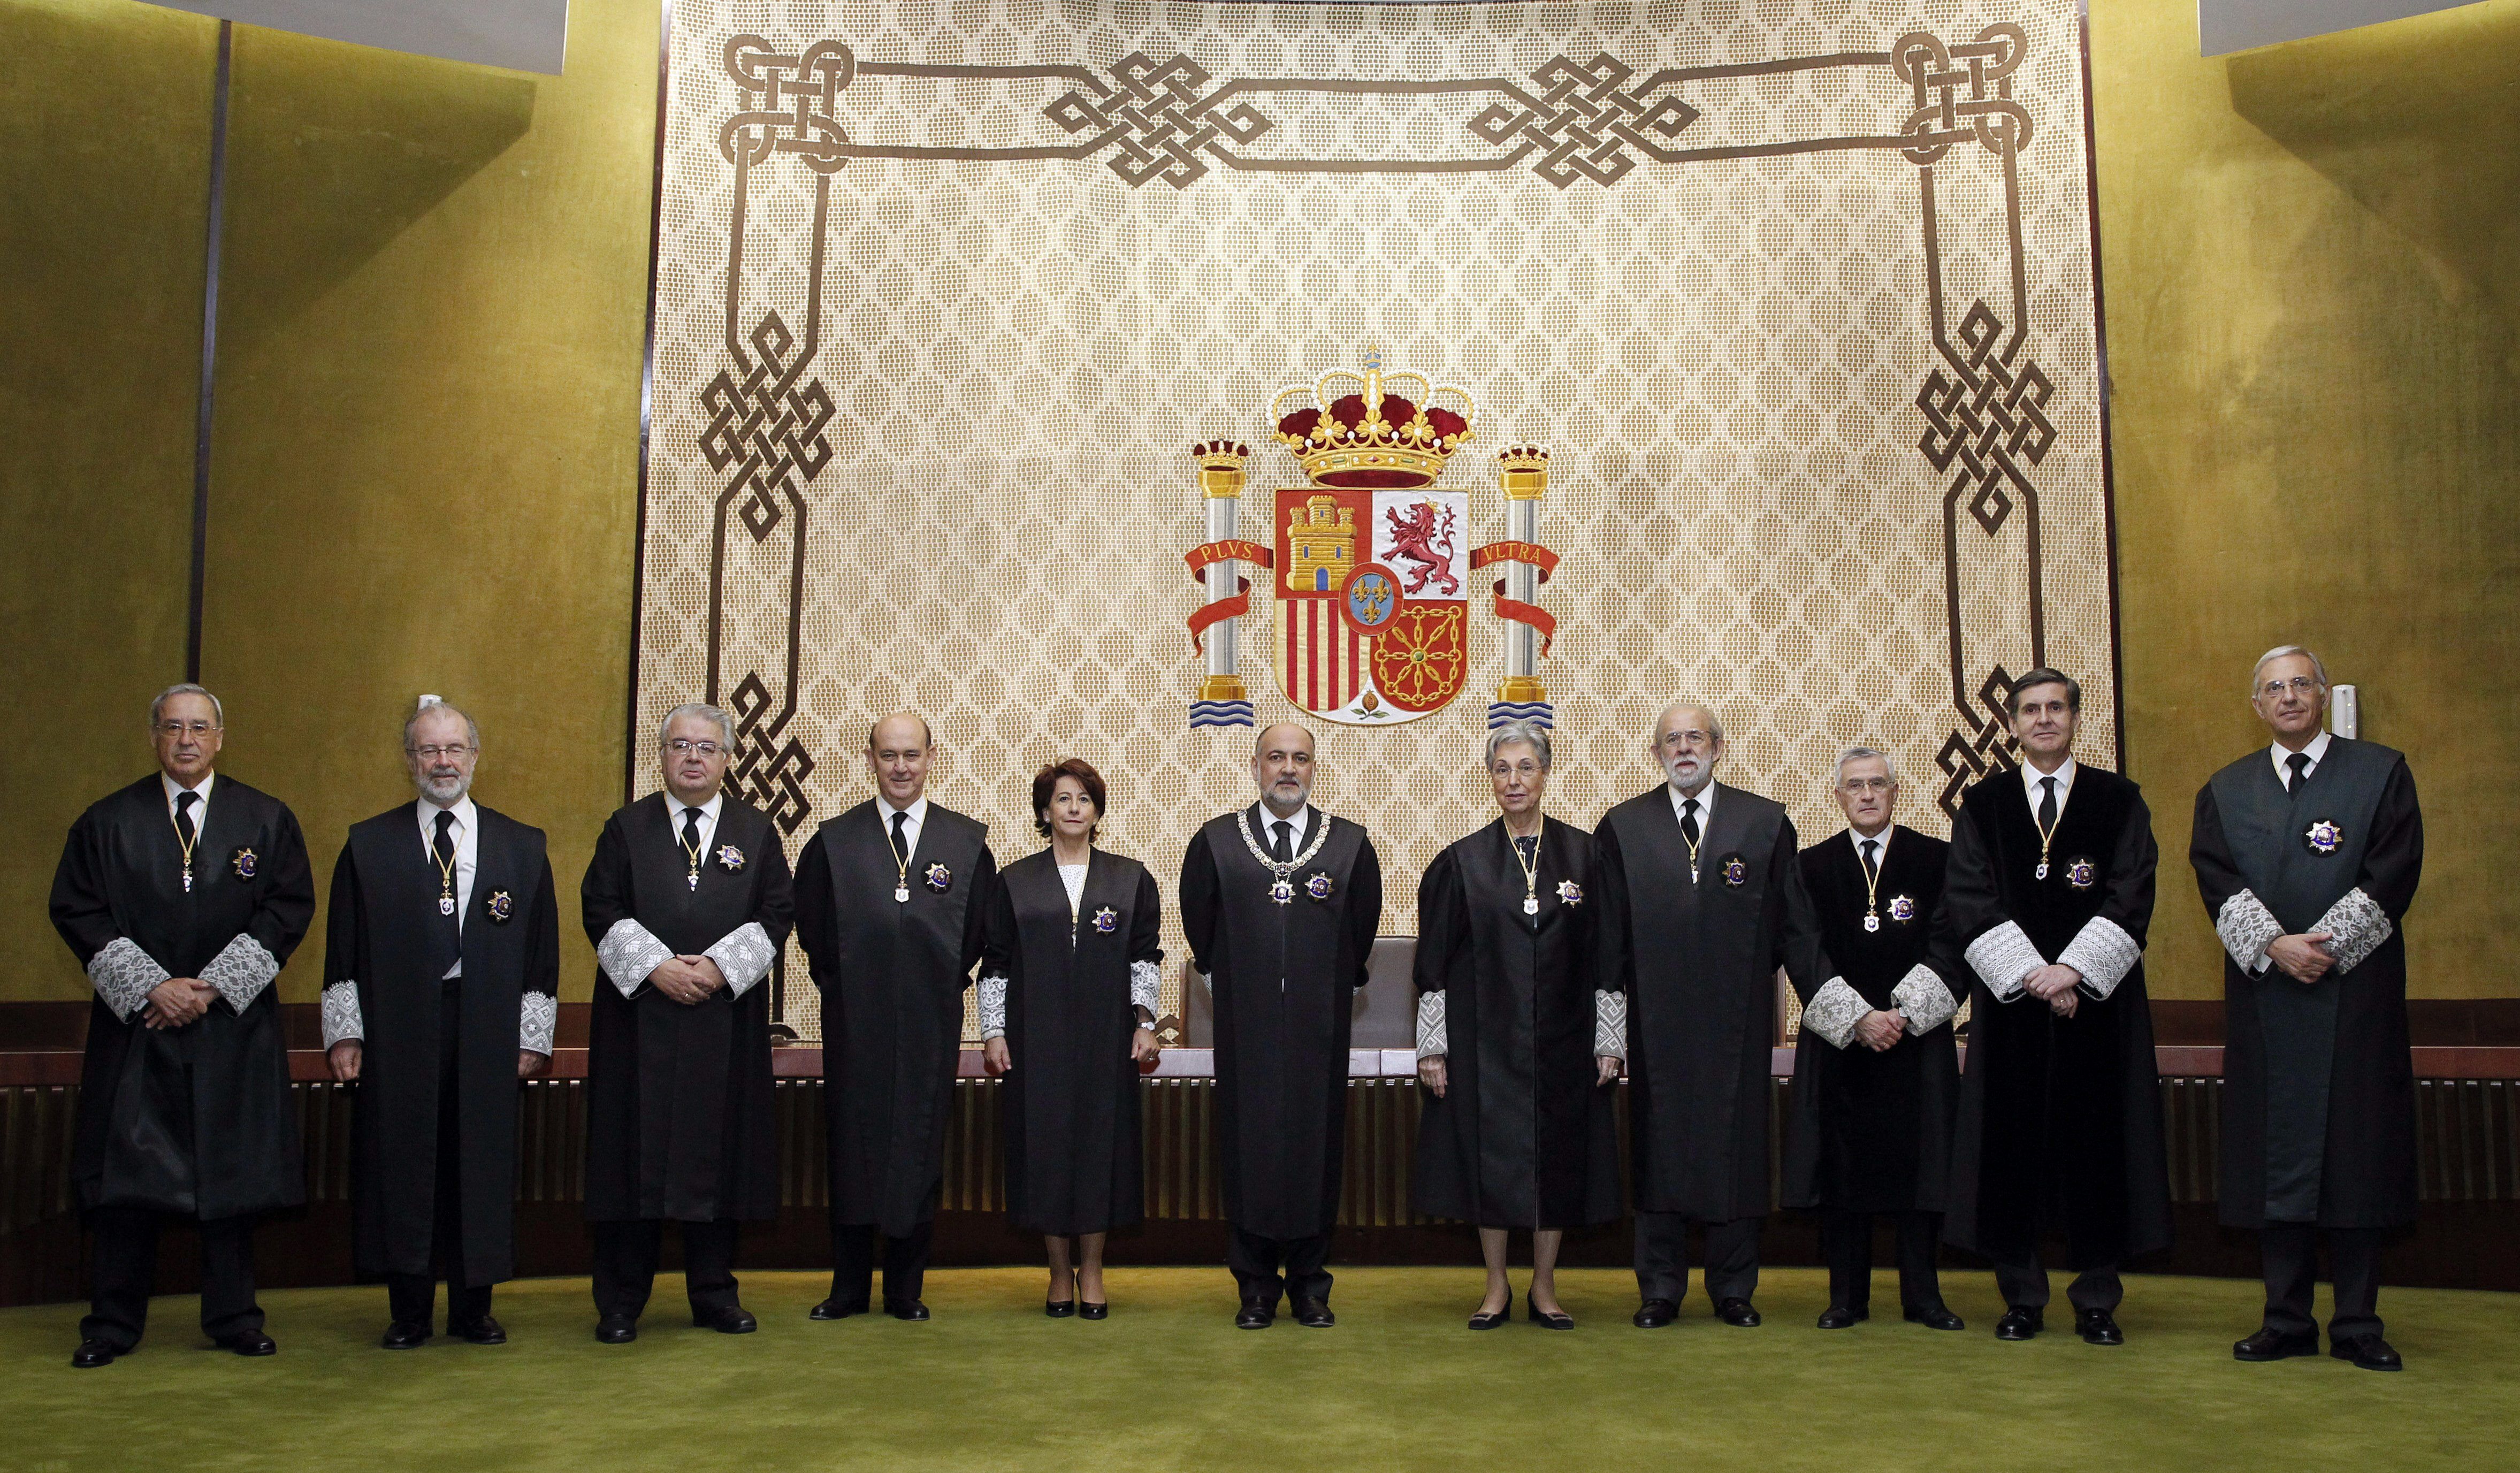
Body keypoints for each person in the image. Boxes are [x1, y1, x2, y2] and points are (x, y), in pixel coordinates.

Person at [49, 683, 315, 1368]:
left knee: (233, 1178)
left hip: (231, 1027)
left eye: (200, 727)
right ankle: (110, 1323)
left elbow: (287, 908)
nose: (187, 740)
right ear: (154, 737)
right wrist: (153, 987)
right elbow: (79, 910)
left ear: (221, 737)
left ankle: (234, 1317)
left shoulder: (265, 819)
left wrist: (213, 988)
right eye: (173, 727)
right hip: (140, 1028)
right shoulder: (106, 822)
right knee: (125, 1183)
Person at [2191, 646, 2423, 1372]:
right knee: (2275, 1156)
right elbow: (2216, 878)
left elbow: (2393, 869)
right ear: (2255, 705)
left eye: (2299, 683)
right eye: (2272, 688)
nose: (2287, 696)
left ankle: (2356, 1322)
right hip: (2267, 1001)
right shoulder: (2225, 790)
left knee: (2355, 1155)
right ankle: (2284, 1318)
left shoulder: (2380, 772)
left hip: (2354, 1002)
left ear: (2321, 696)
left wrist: (2323, 947)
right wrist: (2274, 947)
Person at [320, 697, 559, 1348]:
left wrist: (532, 1035)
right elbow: (342, 945)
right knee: (403, 1161)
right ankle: (410, 1310)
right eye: (430, 749)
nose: (443, 760)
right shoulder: (369, 844)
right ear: (409, 760)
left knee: (478, 1162)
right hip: (398, 1029)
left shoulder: (522, 843)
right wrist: (345, 1031)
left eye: (455, 748)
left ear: (475, 756)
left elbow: (543, 951)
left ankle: (473, 1308)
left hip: (487, 1027)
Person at [1595, 700, 1841, 1330]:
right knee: (1658, 1147)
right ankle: (1660, 1288)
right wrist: (1608, 1031)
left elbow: (1797, 932)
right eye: (1671, 739)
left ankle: (1734, 1287)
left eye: (1695, 737)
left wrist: (1843, 1010)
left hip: (1738, 1024)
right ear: (1655, 753)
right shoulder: (1622, 827)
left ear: (1718, 746)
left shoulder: (1765, 823)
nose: (1684, 748)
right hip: (1655, 1028)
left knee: (1739, 1147)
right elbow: (1607, 942)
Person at [1944, 668, 2171, 1346]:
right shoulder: (1982, 806)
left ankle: (2097, 1298)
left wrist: (2073, 970)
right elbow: (1969, 897)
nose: (2044, 719)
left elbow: (2132, 891)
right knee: (2012, 1149)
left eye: (2056, 708)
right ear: (2011, 724)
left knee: (2101, 1147)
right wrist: (2033, 976)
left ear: (2076, 718)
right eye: (2031, 710)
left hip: (2099, 1011)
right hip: (2013, 1011)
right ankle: (2022, 1296)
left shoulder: (2118, 799)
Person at [581, 701, 794, 1342]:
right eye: (681, 745)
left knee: (718, 1156)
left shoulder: (756, 832)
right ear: (663, 755)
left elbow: (777, 913)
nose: (693, 757)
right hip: (638, 1024)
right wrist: (657, 968)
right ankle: (622, 1300)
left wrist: (719, 969)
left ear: (728, 759)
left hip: (721, 1024)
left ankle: (713, 1293)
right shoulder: (626, 828)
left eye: (707, 746)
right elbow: (601, 907)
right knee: (631, 1159)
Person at [1411, 720, 1621, 1330]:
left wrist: (1609, 1037)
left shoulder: (1586, 855)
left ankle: (1546, 1286)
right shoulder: (1462, 861)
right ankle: (1497, 1285)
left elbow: (1609, 953)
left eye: (1526, 767)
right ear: (1490, 778)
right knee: (1490, 1160)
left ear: (1546, 773)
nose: (1514, 779)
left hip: (1566, 1037)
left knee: (1558, 1159)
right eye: (1502, 768)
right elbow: (1432, 965)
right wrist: (1433, 1047)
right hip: (1485, 1042)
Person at [1180, 721, 1384, 1329]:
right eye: (1276, 757)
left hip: (1320, 1029)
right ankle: (1256, 1288)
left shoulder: (1349, 844)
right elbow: (1202, 928)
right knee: (1249, 1147)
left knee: (1316, 1146)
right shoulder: (1215, 841)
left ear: (1314, 768)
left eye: (1300, 757)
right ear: (1255, 766)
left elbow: (1361, 928)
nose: (1288, 768)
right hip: (1247, 1029)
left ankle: (1312, 1286)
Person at [793, 713, 996, 1322]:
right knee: (852, 1146)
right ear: (870, 758)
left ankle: (905, 1288)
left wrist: (929, 985)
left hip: (930, 1020)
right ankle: (849, 1286)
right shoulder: (834, 841)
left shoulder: (965, 843)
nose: (901, 767)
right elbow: (814, 930)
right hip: (855, 1023)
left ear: (932, 756)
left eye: (912, 754)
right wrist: (855, 987)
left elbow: (978, 930)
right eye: (889, 755)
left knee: (918, 1142)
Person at [1783, 746, 1967, 1332]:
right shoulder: (1810, 866)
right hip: (1842, 1047)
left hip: (1916, 1044)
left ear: (1896, 791)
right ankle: (1846, 1298)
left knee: (1923, 1167)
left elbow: (1953, 941)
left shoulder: (1937, 860)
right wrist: (1859, 1017)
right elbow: (1802, 950)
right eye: (1855, 785)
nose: (1867, 794)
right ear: (1838, 796)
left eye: (1877, 784)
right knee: (1843, 1170)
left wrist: (1903, 1013)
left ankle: (1924, 1296)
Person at [977, 759, 1163, 1318]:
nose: (1075, 807)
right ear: (1044, 811)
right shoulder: (1014, 881)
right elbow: (996, 964)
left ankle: (1095, 1271)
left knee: (1102, 1151)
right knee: (1046, 1151)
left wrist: (1146, 1023)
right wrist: (993, 1031)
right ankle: (1059, 1274)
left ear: (1098, 809)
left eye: (1084, 797)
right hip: (1036, 1043)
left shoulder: (1131, 878)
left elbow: (1145, 958)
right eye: (1063, 798)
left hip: (1109, 1042)